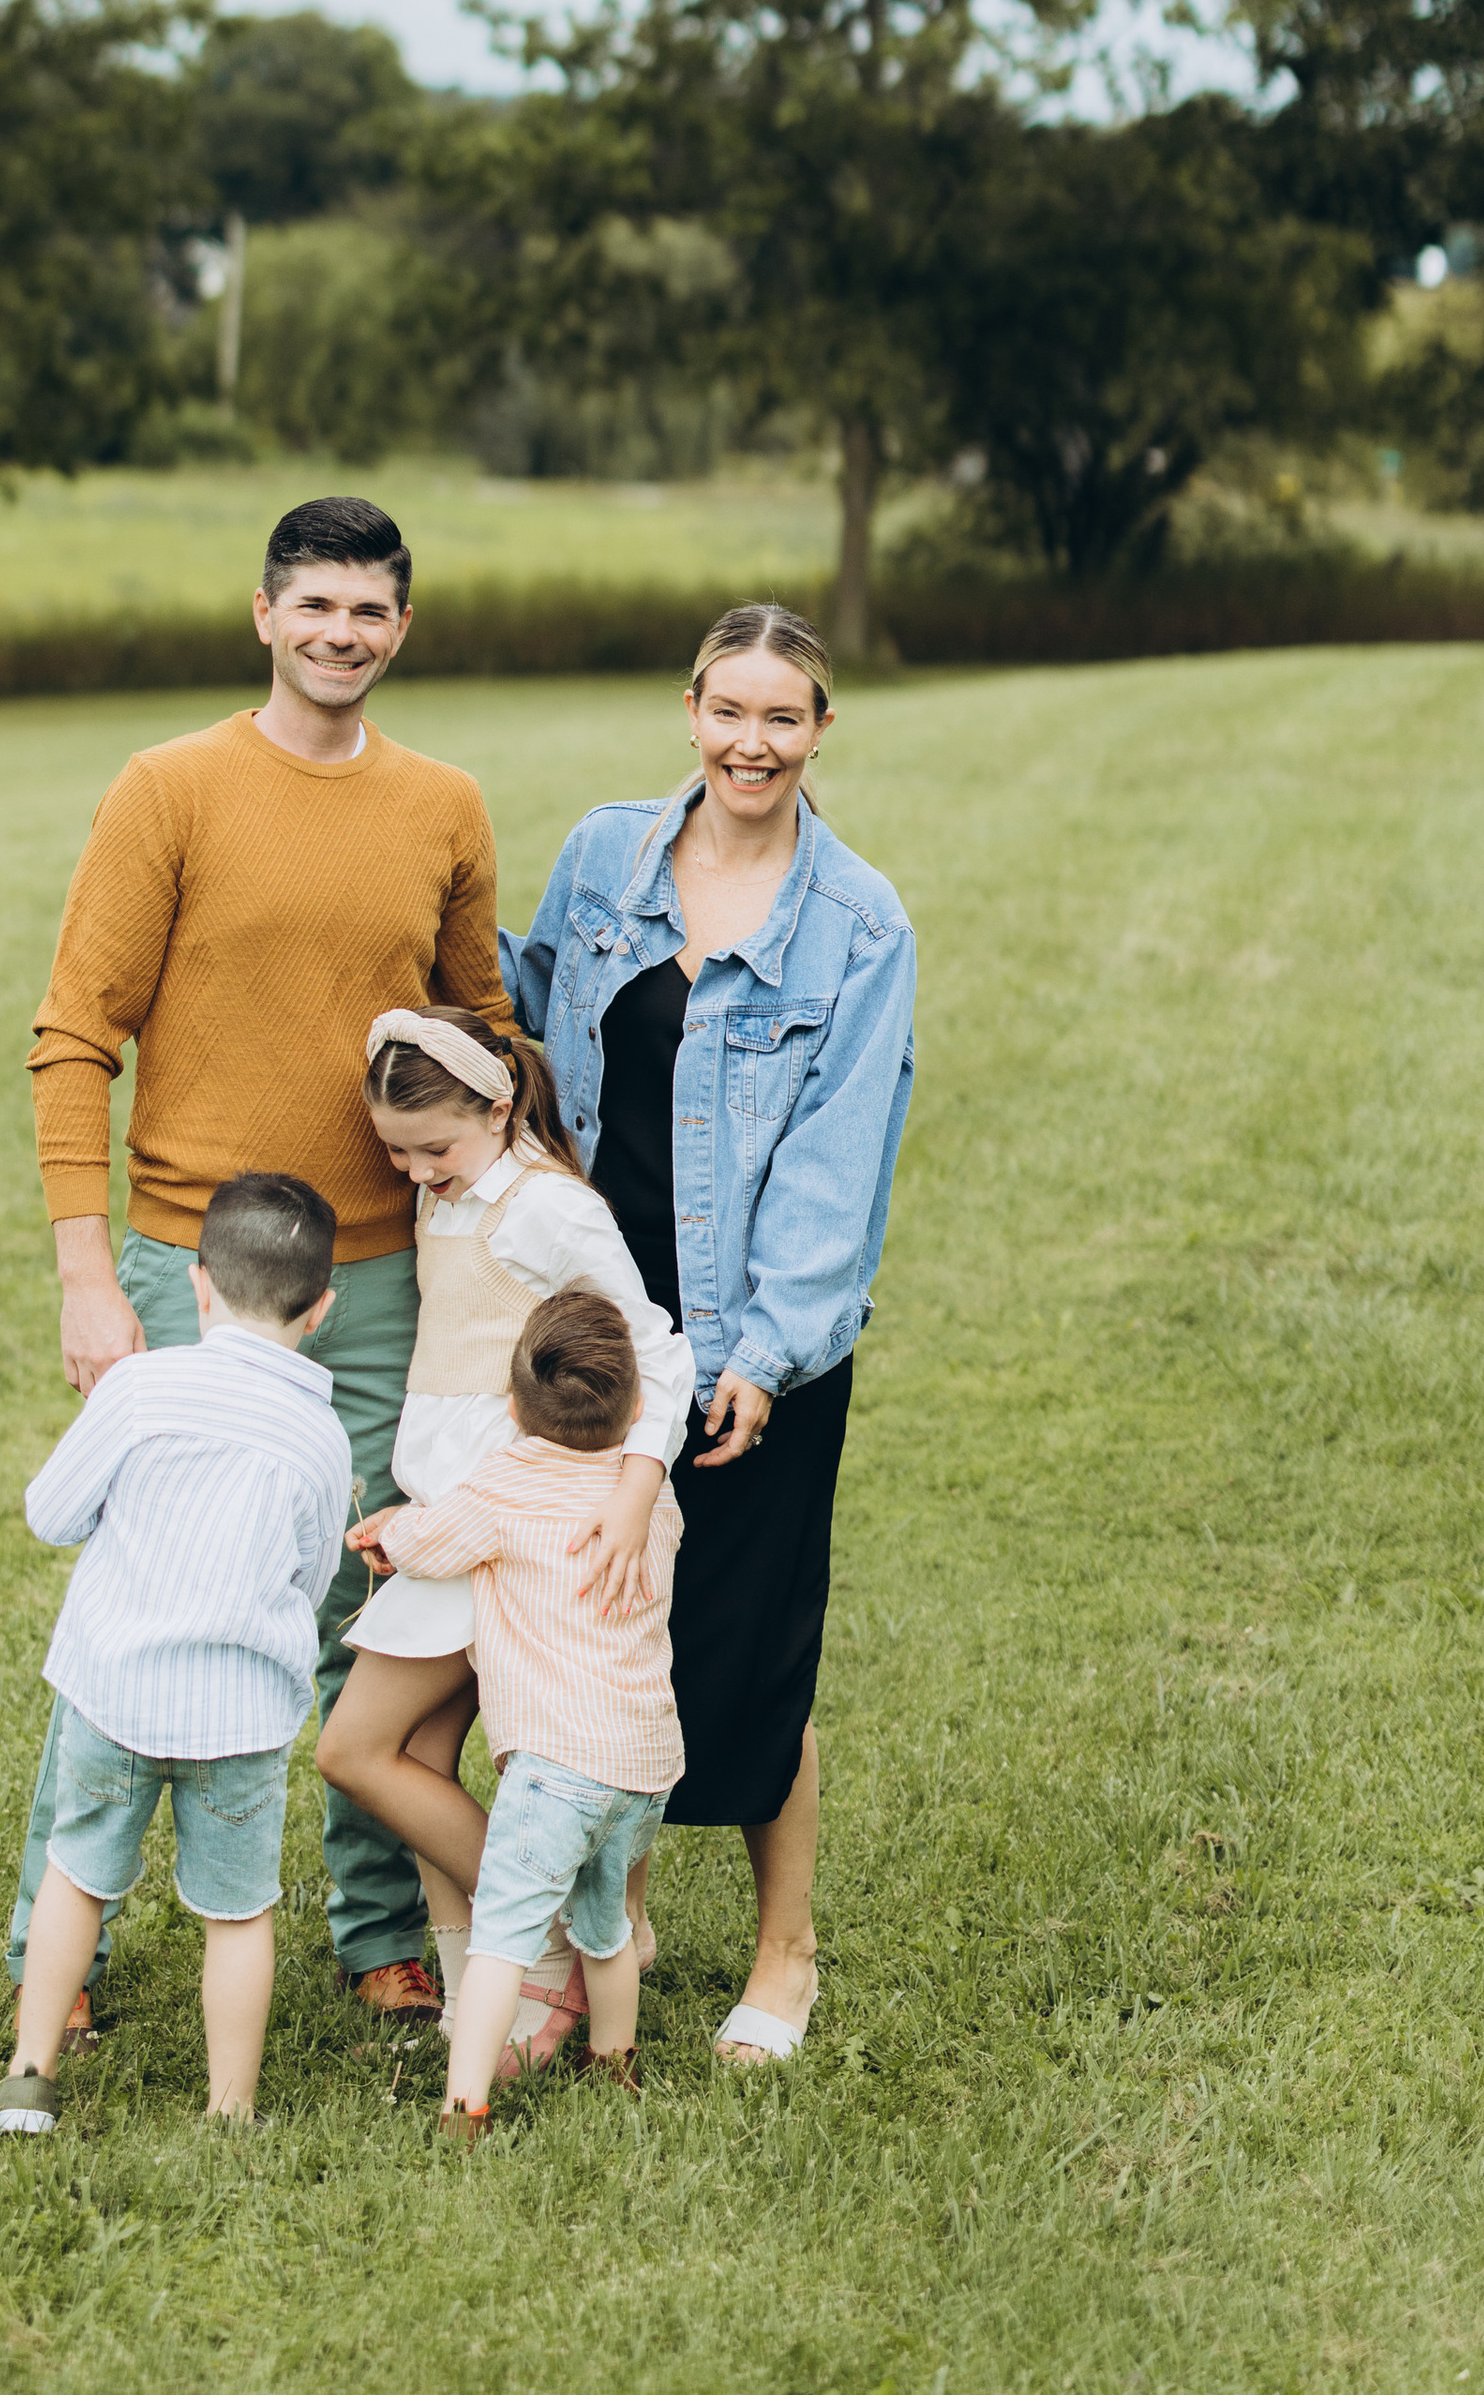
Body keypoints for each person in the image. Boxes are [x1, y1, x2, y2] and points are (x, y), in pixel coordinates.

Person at [9, 494, 513, 2036]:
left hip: (383, 1283)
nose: (341, 634)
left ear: (402, 629)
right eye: (316, 607)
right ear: (265, 615)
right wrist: (93, 1279)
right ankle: (62, 1944)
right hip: (188, 1271)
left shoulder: (445, 808)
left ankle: (379, 1935)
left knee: (371, 1606)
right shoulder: (169, 790)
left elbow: (485, 1042)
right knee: (162, 1592)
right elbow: (73, 1038)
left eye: (369, 611)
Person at [501, 598, 915, 2065]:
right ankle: (609, 1922)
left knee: (746, 1653)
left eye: (781, 717)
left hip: (755, 1342)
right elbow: (534, 1026)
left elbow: (835, 1158)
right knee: (590, 1625)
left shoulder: (858, 924)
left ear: (817, 732)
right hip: (597, 1329)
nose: (752, 741)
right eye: (728, 711)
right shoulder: (606, 856)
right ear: (691, 710)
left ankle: (785, 1955)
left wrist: (763, 1357)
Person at [315, 1010, 692, 2069]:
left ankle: (561, 1934)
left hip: (507, 1526)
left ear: (499, 1105)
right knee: (421, 1754)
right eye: (396, 1150)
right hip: (451, 1522)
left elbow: (653, 1348)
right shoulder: (454, 1190)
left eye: (433, 1147)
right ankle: (489, 1979)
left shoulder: (547, 1212)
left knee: (355, 1749)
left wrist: (633, 1489)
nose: (413, 1170)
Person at [0, 1172, 352, 2133]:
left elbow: (50, 1511)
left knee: (78, 1872)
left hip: (114, 1694)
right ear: (321, 1309)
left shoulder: (141, 1390)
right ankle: (230, 2113)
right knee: (237, 1916)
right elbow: (313, 1582)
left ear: (198, 1286)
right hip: (238, 1718)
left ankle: (30, 2074)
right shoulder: (322, 1437)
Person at [370, 1286, 684, 2135]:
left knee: (501, 1939)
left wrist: (385, 1535)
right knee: (607, 1924)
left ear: (512, 1407)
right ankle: (614, 2063)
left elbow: (434, 1540)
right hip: (646, 1765)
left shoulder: (509, 1481)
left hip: (555, 1768)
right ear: (639, 1406)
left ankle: (462, 2104)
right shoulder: (649, 1500)